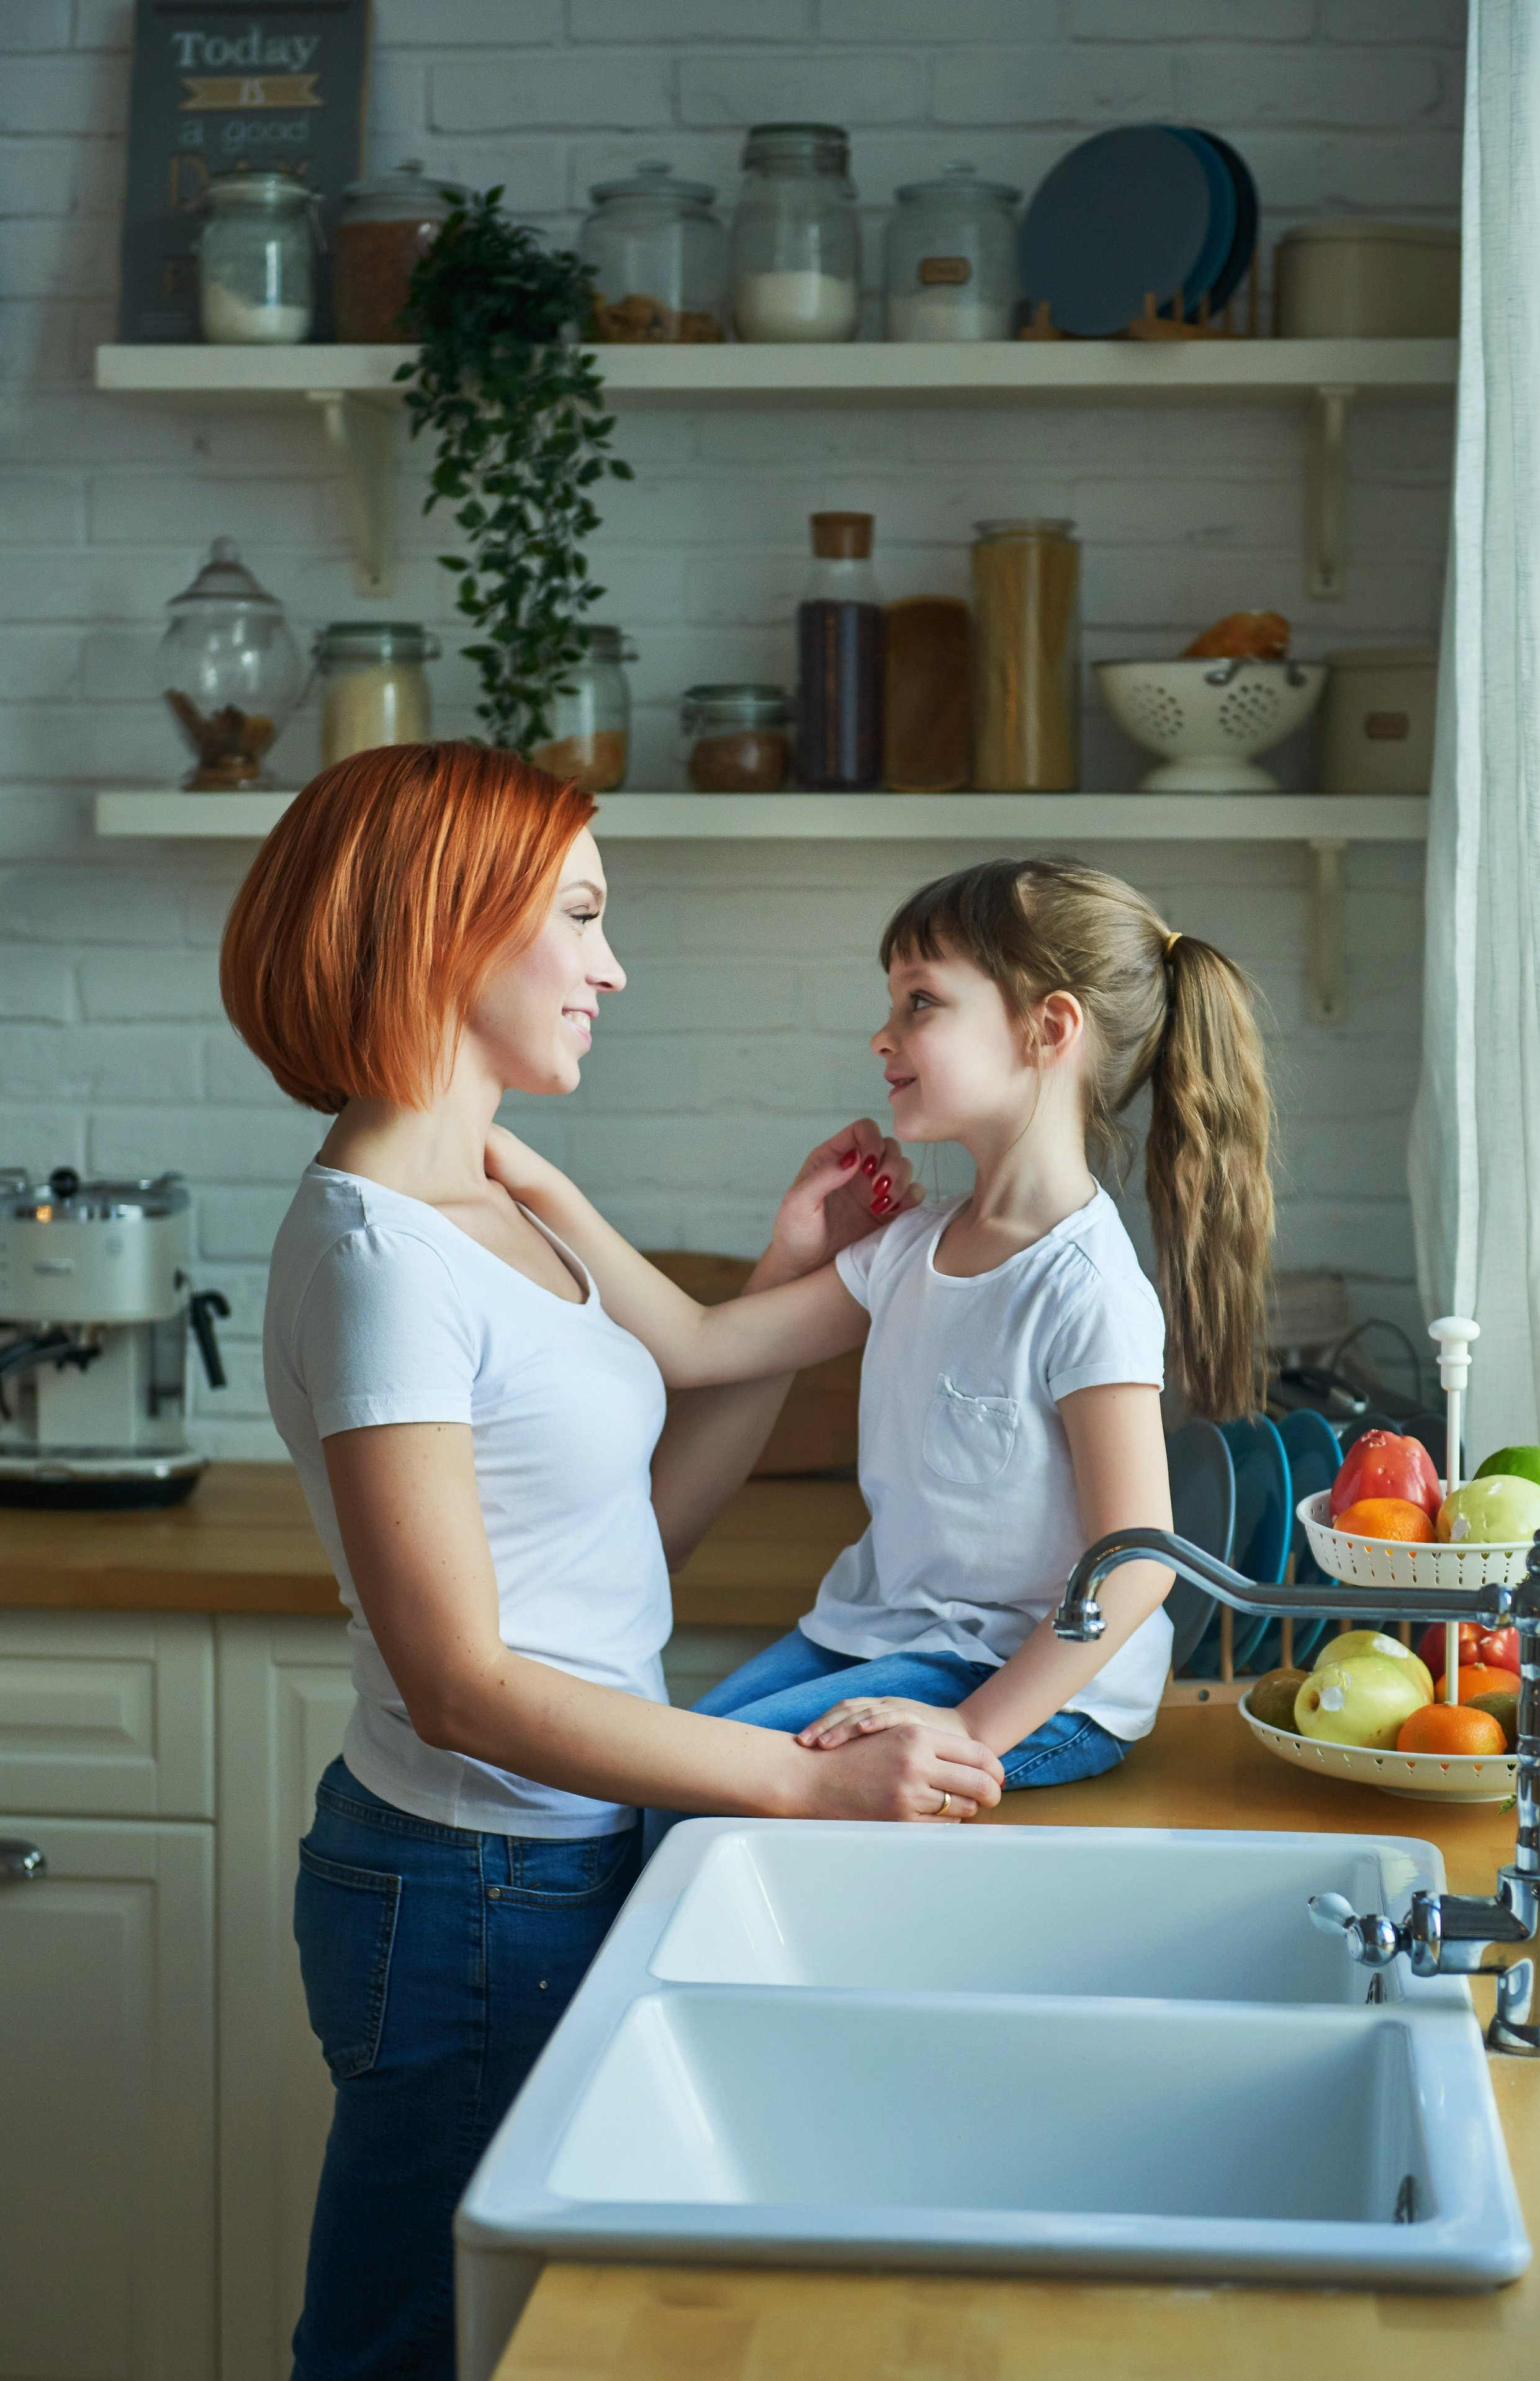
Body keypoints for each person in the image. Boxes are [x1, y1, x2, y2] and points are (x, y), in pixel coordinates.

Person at [218, 743, 1003, 2381]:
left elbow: (616, 1563)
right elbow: (463, 1683)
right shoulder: (377, 1258)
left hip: (555, 1862)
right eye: (579, 914)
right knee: (415, 2350)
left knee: (533, 2338)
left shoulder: (504, 1196)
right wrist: (796, 1778)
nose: (610, 963)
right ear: (447, 930)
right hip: (465, 1891)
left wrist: (795, 1282)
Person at [490, 854, 1274, 1804]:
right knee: (676, 1764)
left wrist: (972, 1731)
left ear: (1048, 1028)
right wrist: (529, 1178)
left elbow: (1139, 1563)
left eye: (921, 1003)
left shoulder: (1085, 1287)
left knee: (693, 1796)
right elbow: (699, 1339)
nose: (883, 1035)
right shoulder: (912, 1247)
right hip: (877, 1638)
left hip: (1016, 1686)